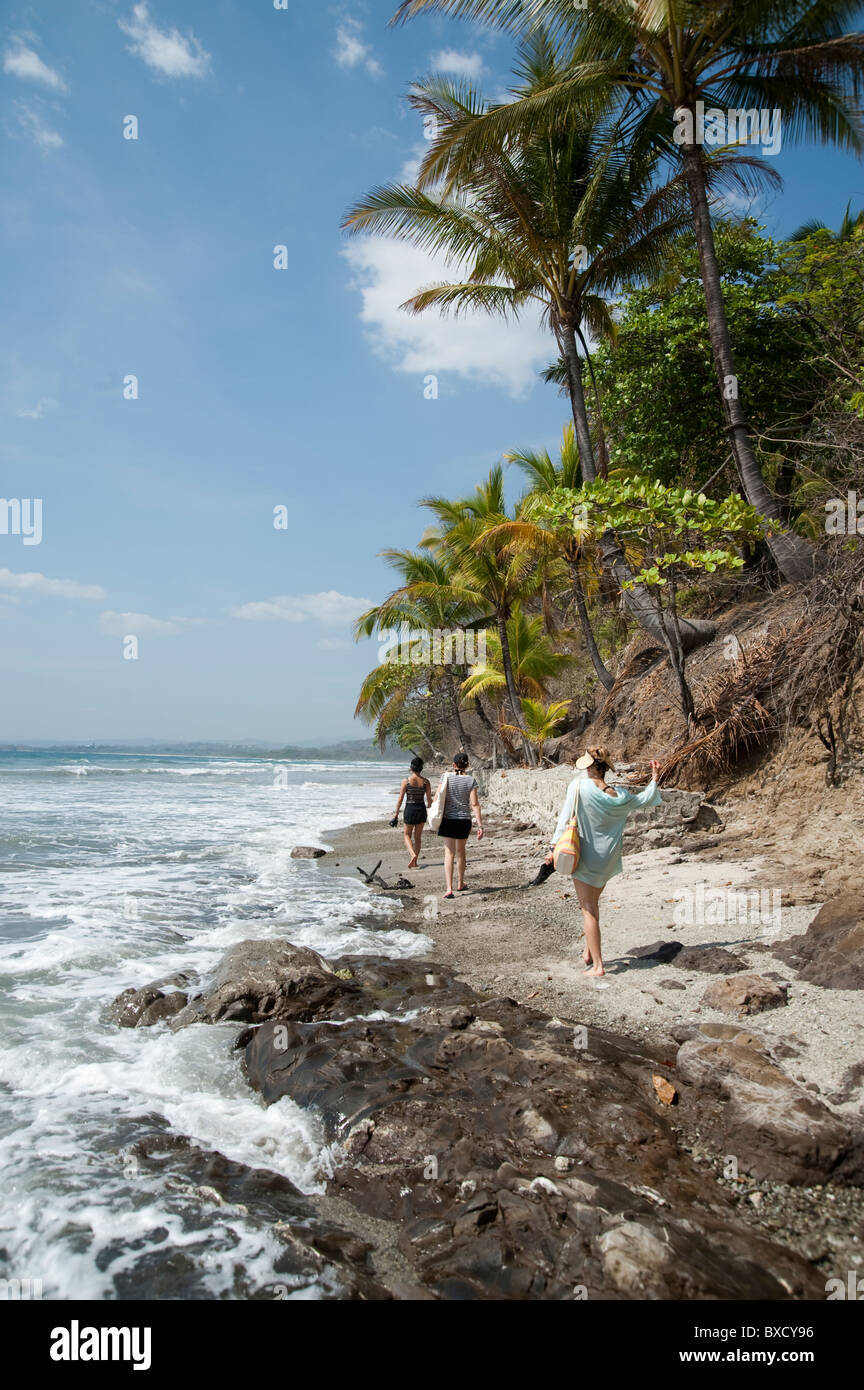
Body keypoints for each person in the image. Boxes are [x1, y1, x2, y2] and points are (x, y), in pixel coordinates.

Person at [544, 746, 662, 978]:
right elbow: (645, 799)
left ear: (588, 766)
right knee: (593, 905)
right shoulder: (620, 796)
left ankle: (598, 965)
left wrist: (552, 848)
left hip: (585, 858)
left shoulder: (577, 787)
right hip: (608, 859)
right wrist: (655, 777)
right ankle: (589, 952)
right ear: (606, 769)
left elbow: (564, 818)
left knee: (588, 909)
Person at [436, 751, 483, 898]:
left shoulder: (445, 777)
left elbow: (438, 796)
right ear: (467, 765)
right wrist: (480, 825)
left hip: (448, 820)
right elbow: (474, 804)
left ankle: (449, 888)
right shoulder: (471, 781)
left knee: (449, 853)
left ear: (453, 765)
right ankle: (460, 883)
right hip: (464, 820)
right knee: (461, 852)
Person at [394, 757, 432, 868]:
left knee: (406, 835)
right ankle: (415, 861)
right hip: (421, 810)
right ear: (421, 768)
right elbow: (429, 801)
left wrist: (396, 814)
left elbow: (400, 798)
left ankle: (412, 855)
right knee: (418, 837)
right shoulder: (426, 782)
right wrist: (431, 812)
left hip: (410, 809)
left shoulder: (406, 781)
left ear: (411, 768)